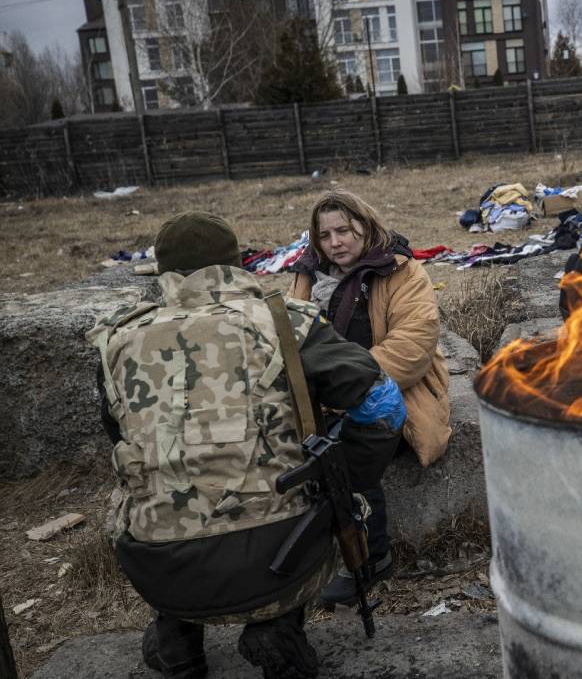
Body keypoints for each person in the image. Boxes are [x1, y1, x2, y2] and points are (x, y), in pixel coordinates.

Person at [87, 212, 404, 679]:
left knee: (152, 496)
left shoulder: (117, 341)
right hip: (278, 559)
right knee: (322, 505)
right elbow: (383, 405)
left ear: (165, 276)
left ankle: (177, 639)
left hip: (156, 568)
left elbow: (122, 440)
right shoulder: (285, 322)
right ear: (237, 266)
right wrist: (349, 479)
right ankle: (277, 623)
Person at [289, 189, 451, 606]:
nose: (335, 242)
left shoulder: (401, 271)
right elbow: (291, 342)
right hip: (327, 396)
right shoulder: (310, 275)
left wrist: (342, 388)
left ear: (366, 225)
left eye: (344, 230)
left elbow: (412, 347)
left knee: (344, 454)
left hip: (392, 393)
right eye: (325, 236)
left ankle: (370, 558)